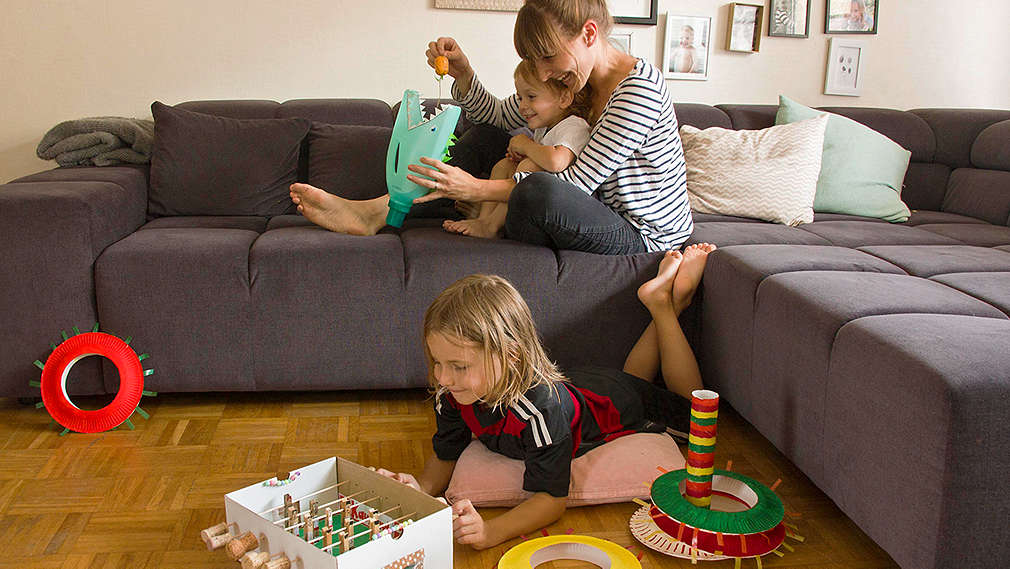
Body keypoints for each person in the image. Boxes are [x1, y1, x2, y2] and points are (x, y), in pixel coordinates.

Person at [374, 242, 717, 549]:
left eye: (459, 366)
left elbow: (551, 501)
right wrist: (418, 487)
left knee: (693, 414)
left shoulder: (537, 411)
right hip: (589, 386)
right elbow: (445, 454)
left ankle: (665, 308)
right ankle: (661, 301)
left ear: (510, 356)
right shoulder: (450, 391)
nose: (443, 377)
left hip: (619, 402)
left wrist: (491, 532)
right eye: (437, 362)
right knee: (628, 380)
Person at [290, 0, 693, 255]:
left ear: (589, 33)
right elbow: (500, 118)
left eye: (549, 58)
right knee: (484, 139)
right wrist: (464, 73)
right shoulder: (575, 77)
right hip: (588, 207)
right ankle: (382, 211)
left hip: (642, 233)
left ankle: (469, 212)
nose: (546, 72)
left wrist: (474, 188)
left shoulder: (638, 90)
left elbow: (573, 184)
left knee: (539, 192)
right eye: (536, 62)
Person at [444, 60, 591, 239]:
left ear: (564, 99)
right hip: (535, 196)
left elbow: (556, 161)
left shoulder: (574, 125)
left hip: (558, 206)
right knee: (504, 165)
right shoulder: (543, 128)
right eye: (520, 98)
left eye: (531, 97)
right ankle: (484, 221)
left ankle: (491, 225)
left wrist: (527, 146)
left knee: (529, 165)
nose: (522, 106)